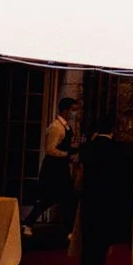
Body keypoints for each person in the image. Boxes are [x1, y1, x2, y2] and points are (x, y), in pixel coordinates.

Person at [75, 118, 131, 265]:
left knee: (88, 241)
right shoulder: (116, 150)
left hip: (89, 198)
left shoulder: (88, 148)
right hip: (107, 201)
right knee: (100, 243)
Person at [24, 98, 77, 237]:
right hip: (54, 168)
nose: (74, 113)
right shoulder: (56, 127)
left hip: (61, 166)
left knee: (63, 198)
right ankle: (29, 222)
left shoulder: (66, 126)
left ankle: (69, 229)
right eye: (73, 110)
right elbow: (50, 149)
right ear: (66, 110)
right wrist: (66, 153)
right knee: (53, 198)